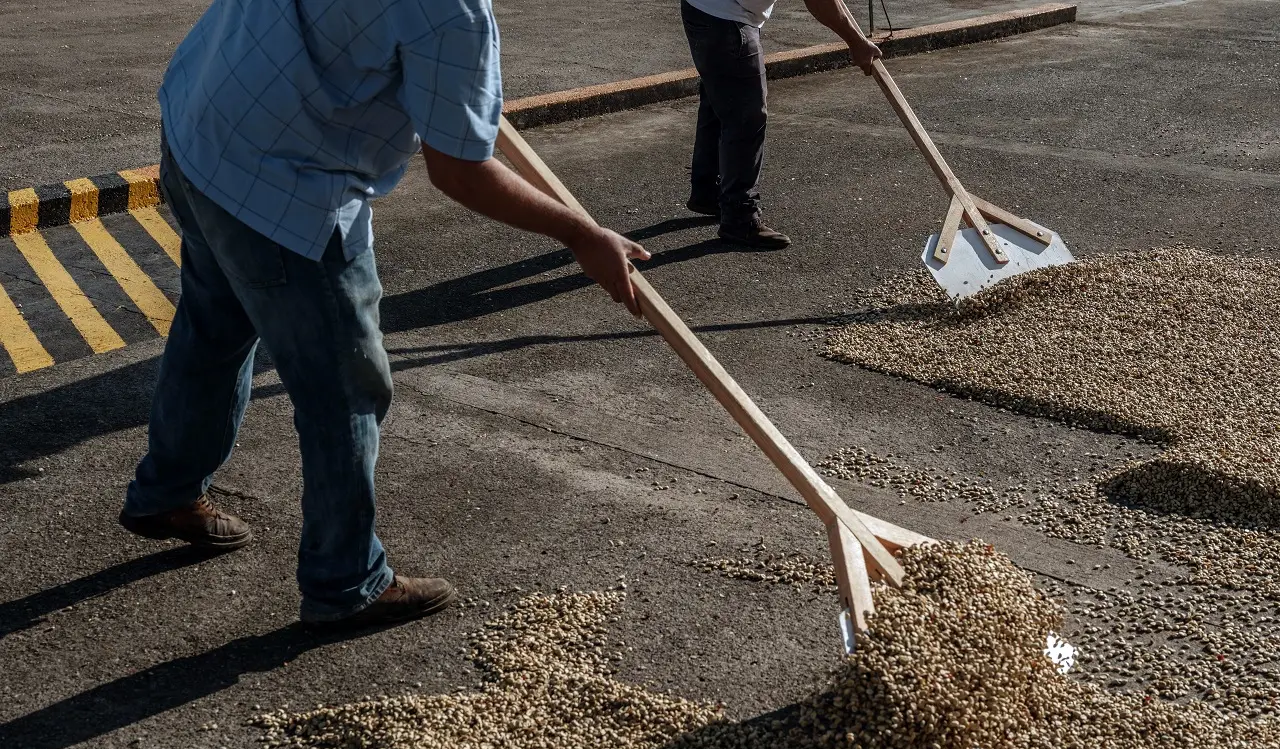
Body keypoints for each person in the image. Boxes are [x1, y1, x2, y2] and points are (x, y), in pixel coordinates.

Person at [118, 0, 650, 632]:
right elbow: (461, 172)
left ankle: (167, 494)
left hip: (201, 125)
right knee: (344, 387)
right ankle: (346, 580)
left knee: (216, 323)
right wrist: (582, 235)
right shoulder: (453, 13)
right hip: (281, 185)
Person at [681, 0, 882, 248]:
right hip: (725, 17)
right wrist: (856, 42)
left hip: (704, 8)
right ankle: (739, 217)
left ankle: (708, 191)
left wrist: (859, 39)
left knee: (721, 98)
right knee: (747, 114)